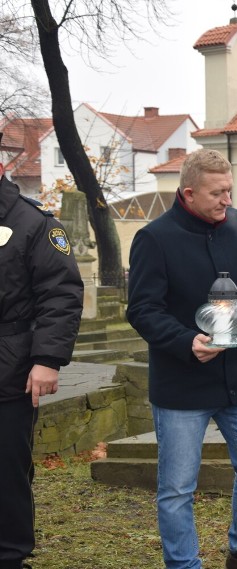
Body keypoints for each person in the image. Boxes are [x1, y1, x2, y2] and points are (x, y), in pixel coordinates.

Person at [126, 149, 237, 569]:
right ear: (188, 193)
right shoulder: (154, 238)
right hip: (183, 386)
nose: (227, 201)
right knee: (178, 487)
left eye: (230, 191)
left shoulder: (235, 223)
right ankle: (184, 565)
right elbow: (143, 309)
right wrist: (187, 342)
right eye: (218, 193)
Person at [0, 160, 84, 569]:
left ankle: (10, 555)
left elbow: (61, 294)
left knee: (7, 469)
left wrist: (47, 360)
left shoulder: (33, 223)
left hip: (9, 367)